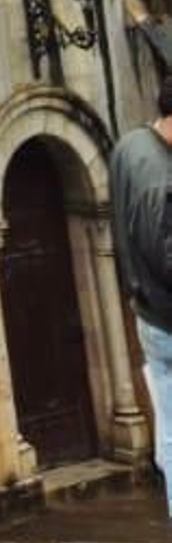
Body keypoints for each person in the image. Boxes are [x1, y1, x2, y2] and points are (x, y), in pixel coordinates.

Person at [110, 72, 172, 517]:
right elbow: (167, 258)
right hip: (167, 317)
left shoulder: (129, 145)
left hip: (148, 312)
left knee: (169, 423)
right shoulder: (160, 180)